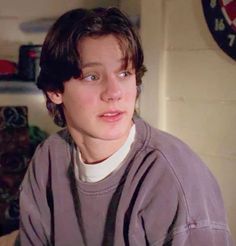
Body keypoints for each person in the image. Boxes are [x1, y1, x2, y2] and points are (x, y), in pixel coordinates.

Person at [19, 7, 234, 246]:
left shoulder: (171, 178)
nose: (114, 93)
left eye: (124, 73)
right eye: (92, 76)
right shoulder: (48, 158)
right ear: (55, 91)